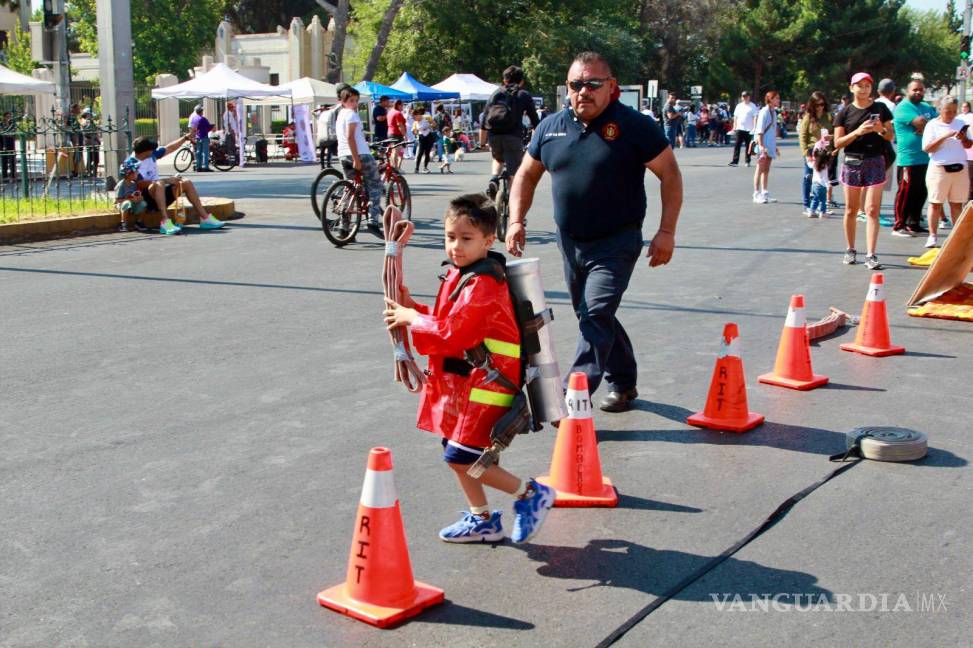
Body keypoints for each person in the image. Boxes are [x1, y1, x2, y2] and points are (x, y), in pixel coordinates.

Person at [505, 51, 683, 412]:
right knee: (592, 315)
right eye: (575, 84)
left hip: (617, 240)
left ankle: (574, 396)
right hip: (570, 242)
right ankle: (624, 381)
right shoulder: (550, 127)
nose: (583, 91)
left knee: (596, 313)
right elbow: (525, 174)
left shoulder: (634, 126)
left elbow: (670, 174)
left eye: (592, 84)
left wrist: (667, 231)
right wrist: (516, 220)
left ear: (611, 87)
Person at [383, 194, 555, 544]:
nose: (455, 246)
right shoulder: (463, 275)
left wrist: (412, 317)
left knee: (461, 456)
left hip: (487, 382)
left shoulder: (482, 283)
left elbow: (455, 332)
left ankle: (530, 494)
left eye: (466, 239)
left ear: (488, 241)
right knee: (455, 451)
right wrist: (412, 306)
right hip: (467, 382)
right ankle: (483, 520)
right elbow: (448, 321)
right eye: (450, 237)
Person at [833, 72, 894, 270]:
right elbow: (838, 142)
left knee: (872, 210)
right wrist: (857, 132)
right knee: (851, 210)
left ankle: (871, 254)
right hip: (852, 162)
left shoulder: (881, 108)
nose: (864, 88)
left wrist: (880, 130)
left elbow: (889, 135)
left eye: (867, 85)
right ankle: (850, 249)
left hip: (875, 161)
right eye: (859, 85)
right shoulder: (844, 112)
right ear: (851, 88)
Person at [128, 135, 226, 236]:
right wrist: (167, 180)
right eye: (151, 149)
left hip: (160, 193)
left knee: (186, 182)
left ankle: (205, 218)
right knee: (159, 183)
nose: (154, 151)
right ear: (145, 151)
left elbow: (169, 148)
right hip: (144, 199)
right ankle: (165, 222)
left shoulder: (151, 155)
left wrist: (184, 138)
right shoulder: (131, 163)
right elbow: (139, 184)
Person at [921, 95, 971, 248]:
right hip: (939, 168)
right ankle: (932, 236)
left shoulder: (961, 123)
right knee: (935, 203)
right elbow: (927, 148)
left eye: (954, 111)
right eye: (948, 111)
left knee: (957, 205)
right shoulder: (932, 125)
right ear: (940, 110)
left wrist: (963, 138)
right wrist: (945, 136)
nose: (951, 115)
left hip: (959, 168)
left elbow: (968, 145)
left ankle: (956, 237)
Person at [480, 65, 540, 192]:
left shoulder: (495, 94)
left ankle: (494, 178)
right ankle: (512, 201)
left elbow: (484, 120)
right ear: (521, 81)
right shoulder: (524, 95)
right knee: (515, 173)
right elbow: (535, 121)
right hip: (514, 136)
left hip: (494, 136)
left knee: (498, 158)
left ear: (504, 80)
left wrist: (481, 143)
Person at [335, 85, 384, 234]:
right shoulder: (352, 115)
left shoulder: (340, 115)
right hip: (360, 155)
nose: (355, 104)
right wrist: (356, 158)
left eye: (356, 101)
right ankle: (372, 221)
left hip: (343, 155)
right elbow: (350, 137)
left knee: (350, 189)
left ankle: (344, 227)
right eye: (351, 100)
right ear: (343, 101)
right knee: (375, 185)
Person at [892, 79, 937, 236]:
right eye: (915, 89)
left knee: (921, 191)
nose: (918, 92)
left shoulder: (926, 106)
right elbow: (921, 122)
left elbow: (937, 123)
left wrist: (927, 127)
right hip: (909, 159)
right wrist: (928, 126)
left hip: (926, 158)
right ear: (907, 91)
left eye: (921, 90)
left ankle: (914, 223)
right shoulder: (903, 107)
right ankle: (899, 224)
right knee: (906, 192)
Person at [798, 92, 832, 216]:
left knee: (823, 178)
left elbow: (834, 132)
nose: (820, 107)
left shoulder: (828, 116)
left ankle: (820, 205)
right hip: (812, 150)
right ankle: (807, 205)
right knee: (809, 177)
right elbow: (802, 136)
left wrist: (831, 140)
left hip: (824, 151)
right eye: (817, 105)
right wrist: (806, 152)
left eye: (822, 104)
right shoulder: (808, 117)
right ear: (812, 105)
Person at [752, 90, 781, 204]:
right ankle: (756, 193)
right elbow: (760, 131)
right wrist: (761, 146)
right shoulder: (764, 112)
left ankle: (764, 192)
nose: (778, 100)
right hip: (763, 144)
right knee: (759, 168)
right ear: (770, 99)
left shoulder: (773, 112)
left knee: (766, 169)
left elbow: (772, 130)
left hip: (770, 144)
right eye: (777, 98)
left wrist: (775, 146)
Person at [115, 158, 146, 231]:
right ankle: (123, 223)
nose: (137, 173)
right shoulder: (121, 185)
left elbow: (135, 195)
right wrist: (129, 199)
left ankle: (139, 222)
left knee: (143, 204)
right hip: (122, 204)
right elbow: (118, 200)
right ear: (129, 174)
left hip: (132, 203)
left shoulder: (133, 184)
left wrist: (139, 198)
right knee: (127, 203)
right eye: (135, 172)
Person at [729, 91, 758, 166]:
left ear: (749, 97)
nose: (745, 98)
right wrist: (734, 127)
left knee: (748, 146)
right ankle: (735, 161)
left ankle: (747, 161)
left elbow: (755, 117)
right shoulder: (739, 106)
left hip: (749, 129)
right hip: (740, 128)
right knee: (737, 145)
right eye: (743, 96)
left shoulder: (752, 106)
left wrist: (754, 128)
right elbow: (735, 117)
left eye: (746, 96)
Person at [807, 142, 832, 218]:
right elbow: (825, 178)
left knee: (815, 199)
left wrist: (808, 158)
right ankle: (822, 212)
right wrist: (828, 185)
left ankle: (811, 211)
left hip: (814, 185)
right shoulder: (824, 167)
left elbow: (809, 164)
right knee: (823, 201)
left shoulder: (814, 165)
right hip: (822, 186)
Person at [412, 107, 436, 173]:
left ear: (418, 115)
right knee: (420, 152)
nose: (414, 119)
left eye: (414, 117)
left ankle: (425, 167)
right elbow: (414, 131)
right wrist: (416, 132)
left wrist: (427, 127)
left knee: (427, 152)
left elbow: (434, 124)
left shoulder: (427, 117)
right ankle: (416, 168)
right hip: (421, 137)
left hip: (429, 136)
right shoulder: (415, 122)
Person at [315, 102, 338, 169]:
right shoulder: (330, 113)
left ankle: (322, 165)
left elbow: (312, 112)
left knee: (322, 152)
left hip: (321, 137)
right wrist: (329, 108)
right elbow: (336, 107)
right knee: (329, 152)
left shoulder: (320, 115)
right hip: (329, 136)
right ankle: (328, 164)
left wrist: (319, 108)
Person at [79, 107, 99, 177]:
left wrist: (97, 139)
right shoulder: (84, 122)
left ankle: (95, 173)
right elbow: (85, 132)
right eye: (90, 115)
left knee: (96, 159)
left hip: (95, 142)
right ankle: (89, 172)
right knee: (90, 158)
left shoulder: (91, 122)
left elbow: (95, 131)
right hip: (89, 142)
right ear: (87, 114)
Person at [387, 99, 407, 168]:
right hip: (396, 134)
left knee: (394, 151)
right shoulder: (398, 113)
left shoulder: (390, 112)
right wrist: (404, 135)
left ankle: (394, 167)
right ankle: (395, 168)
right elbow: (400, 125)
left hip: (390, 133)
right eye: (402, 105)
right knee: (396, 151)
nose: (403, 107)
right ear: (398, 105)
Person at [192, 105, 213, 172]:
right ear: (201, 112)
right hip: (204, 136)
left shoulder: (194, 118)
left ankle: (198, 167)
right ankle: (206, 167)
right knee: (205, 153)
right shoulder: (203, 119)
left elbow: (193, 128)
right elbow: (209, 127)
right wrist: (212, 126)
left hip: (197, 137)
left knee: (198, 152)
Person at [0, 111, 17, 182]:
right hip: (3, 142)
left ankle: (12, 175)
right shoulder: (1, 124)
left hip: (10, 142)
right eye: (7, 116)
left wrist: (7, 133)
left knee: (12, 158)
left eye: (10, 116)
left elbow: (14, 132)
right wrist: (7, 133)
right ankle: (4, 175)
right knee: (4, 158)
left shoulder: (12, 124)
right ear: (4, 117)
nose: (9, 118)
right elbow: (1, 132)